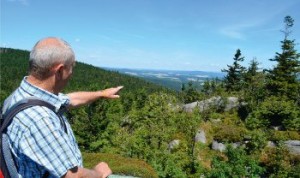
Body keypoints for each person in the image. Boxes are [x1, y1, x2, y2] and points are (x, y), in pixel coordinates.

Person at [3, 37, 123, 178]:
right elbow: (73, 176)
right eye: (72, 67)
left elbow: (70, 99)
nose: (72, 73)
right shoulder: (41, 119)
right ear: (60, 71)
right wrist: (98, 173)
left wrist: (101, 93)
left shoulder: (22, 96)